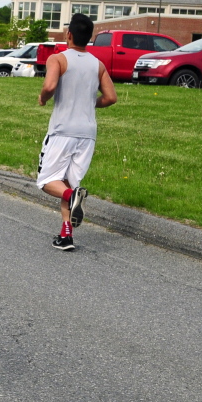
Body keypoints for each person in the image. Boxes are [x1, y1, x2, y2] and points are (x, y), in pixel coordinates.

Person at [36, 13, 117, 251]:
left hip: (63, 131)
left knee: (48, 181)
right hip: (88, 133)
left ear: (68, 34)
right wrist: (89, 103)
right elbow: (111, 98)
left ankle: (73, 196)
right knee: (68, 182)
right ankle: (66, 236)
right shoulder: (98, 65)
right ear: (89, 38)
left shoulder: (58, 59)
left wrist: (42, 98)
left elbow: (50, 86)